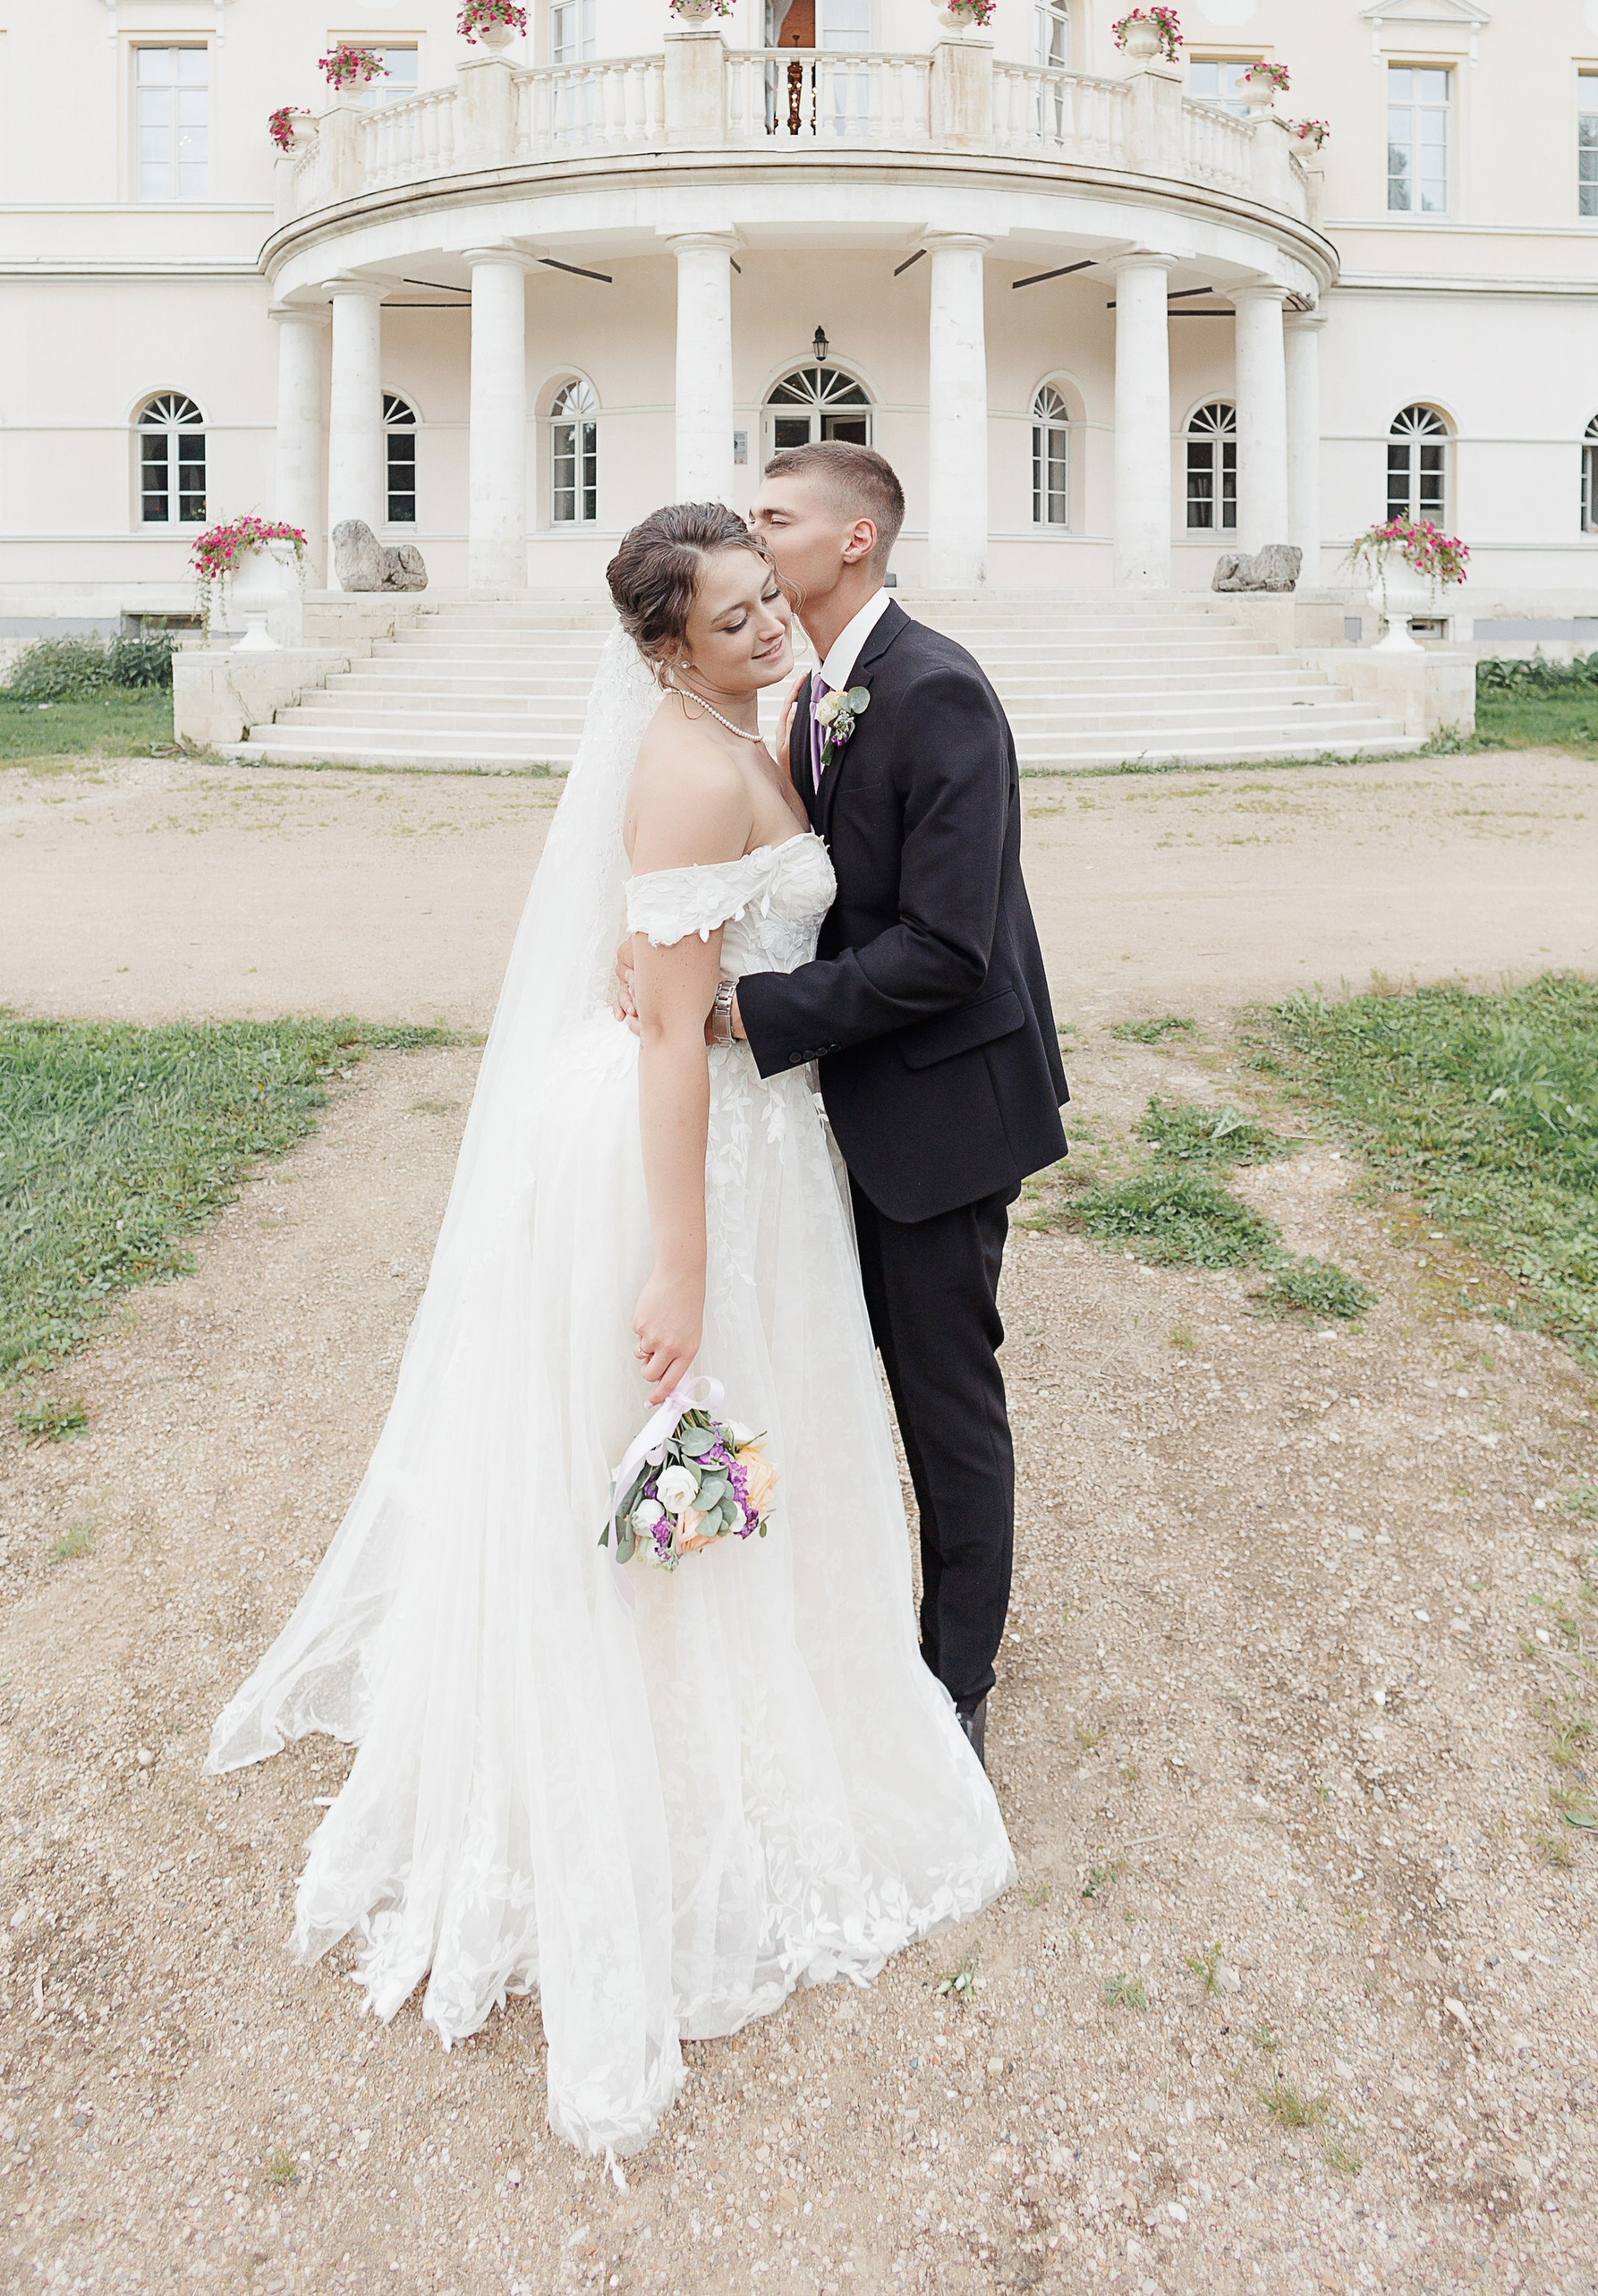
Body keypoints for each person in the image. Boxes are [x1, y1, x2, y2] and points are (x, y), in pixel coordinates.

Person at [205, 502, 1009, 2161]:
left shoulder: (760, 716)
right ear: (664, 648)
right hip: (696, 1155)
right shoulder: (693, 763)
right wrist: (678, 1262)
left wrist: (680, 987)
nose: (769, 628)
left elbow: (687, 959)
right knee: (687, 1429)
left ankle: (751, 1683)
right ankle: (662, 1741)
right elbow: (662, 1038)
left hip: (763, 1127)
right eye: (732, 619)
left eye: (766, 597)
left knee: (757, 1436)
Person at [726, 442, 1068, 1763]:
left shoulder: (936, 691)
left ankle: (957, 1682)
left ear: (854, 538)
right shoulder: (818, 691)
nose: (755, 539)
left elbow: (947, 948)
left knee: (944, 1405)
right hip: (853, 1101)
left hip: (943, 1114)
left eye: (775, 519)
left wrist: (757, 1011)